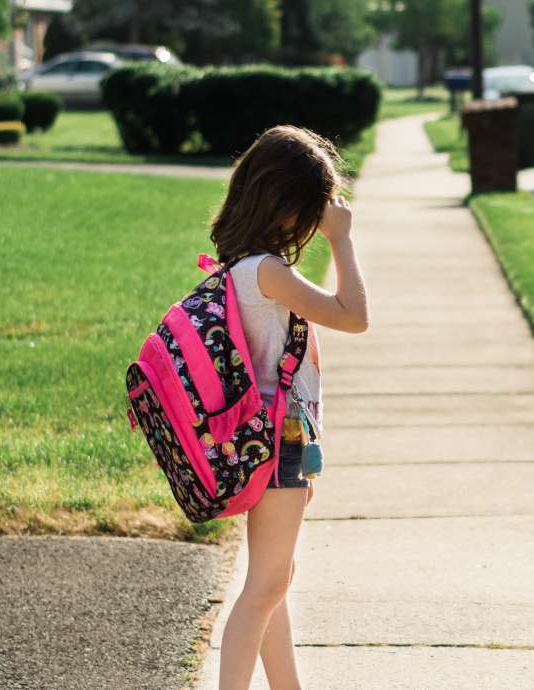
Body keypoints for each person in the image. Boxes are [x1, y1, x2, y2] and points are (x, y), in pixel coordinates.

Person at [211, 125, 369, 690]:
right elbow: (353, 315)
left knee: (274, 580)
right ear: (288, 203)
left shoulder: (238, 266)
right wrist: (342, 240)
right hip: (281, 442)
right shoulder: (268, 273)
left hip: (271, 440)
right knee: (263, 590)